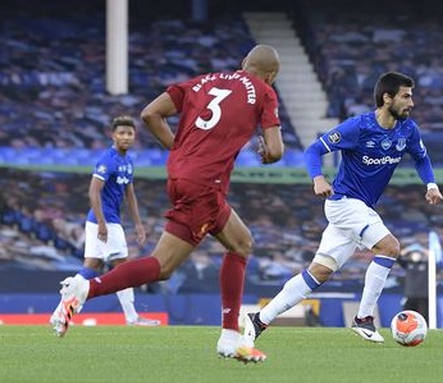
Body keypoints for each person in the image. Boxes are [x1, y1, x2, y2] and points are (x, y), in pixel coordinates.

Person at [49, 44, 284, 364]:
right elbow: (276, 149)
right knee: (162, 266)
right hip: (203, 184)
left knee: (241, 243)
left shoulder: (203, 81)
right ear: (271, 76)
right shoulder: (264, 92)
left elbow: (149, 113)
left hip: (184, 177)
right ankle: (84, 290)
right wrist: (268, 154)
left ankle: (230, 337)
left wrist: (183, 151)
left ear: (243, 63)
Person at [243, 71, 443, 347]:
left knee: (318, 273)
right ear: (387, 98)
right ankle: (363, 319)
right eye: (406, 96)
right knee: (389, 248)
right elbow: (313, 150)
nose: (412, 102)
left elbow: (422, 158)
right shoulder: (357, 127)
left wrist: (431, 184)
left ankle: (259, 319)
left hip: (360, 208)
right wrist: (318, 178)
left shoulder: (408, 130)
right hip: (344, 203)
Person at [49, 116, 160, 327]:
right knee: (122, 269)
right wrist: (102, 222)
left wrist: (137, 223)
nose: (126, 137)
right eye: (121, 133)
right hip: (104, 221)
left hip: (105, 221)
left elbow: (130, 194)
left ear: (134, 136)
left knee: (92, 267)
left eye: (129, 133)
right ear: (113, 135)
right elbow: (93, 191)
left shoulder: (127, 162)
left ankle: (60, 314)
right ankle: (132, 318)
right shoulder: (107, 159)